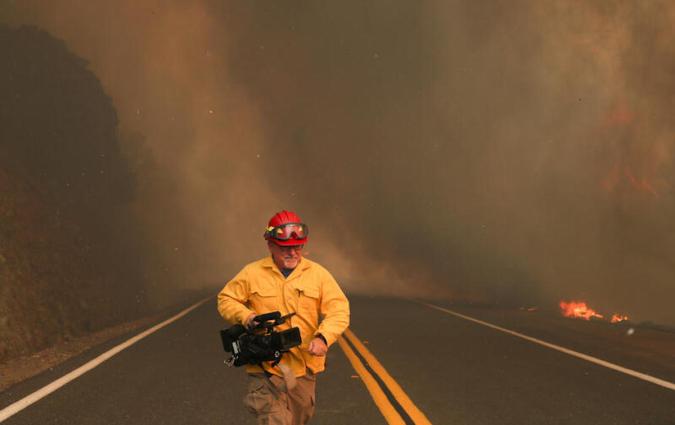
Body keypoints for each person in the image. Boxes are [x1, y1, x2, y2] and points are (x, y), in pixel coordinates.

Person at [218, 210, 350, 425]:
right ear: (270, 245)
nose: (293, 253)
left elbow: (339, 309)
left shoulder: (318, 275)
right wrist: (246, 316)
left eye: (297, 247)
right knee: (274, 420)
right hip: (265, 368)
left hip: (303, 368)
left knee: (300, 417)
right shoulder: (252, 273)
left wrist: (323, 337)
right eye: (285, 248)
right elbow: (226, 299)